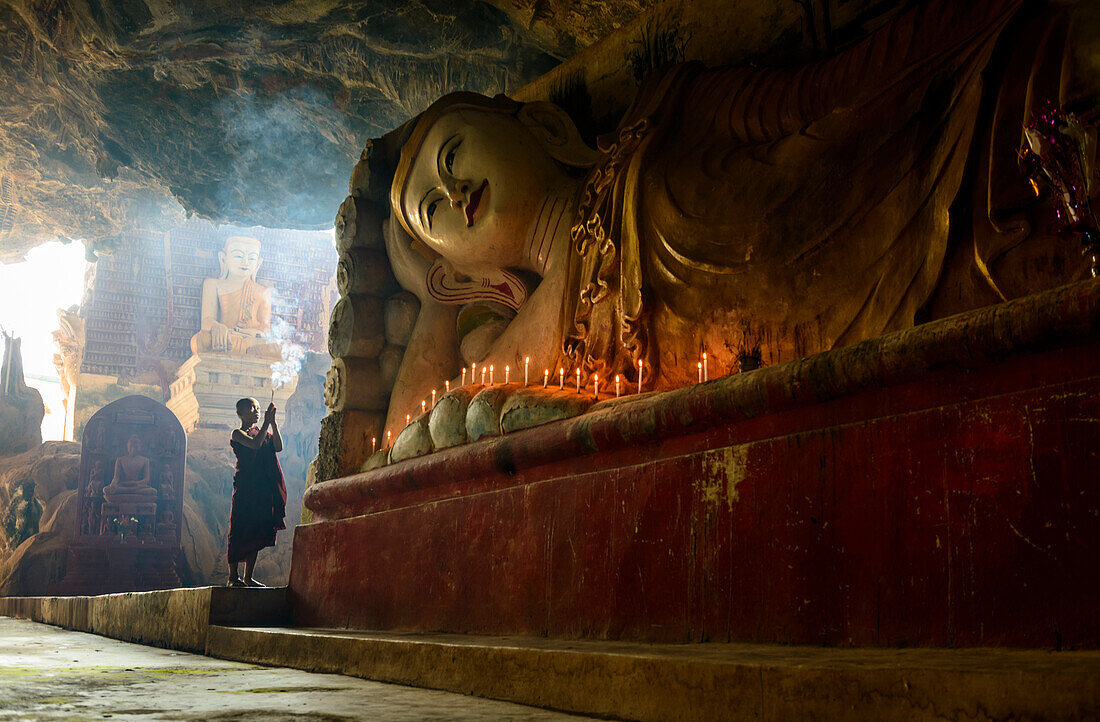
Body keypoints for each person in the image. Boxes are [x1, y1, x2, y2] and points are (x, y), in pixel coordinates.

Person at [381, 0, 1096, 438]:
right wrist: (432, 307)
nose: (451, 192)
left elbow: (831, 97)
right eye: (431, 211)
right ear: (464, 264)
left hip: (923, 182)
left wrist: (975, 25)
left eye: (451, 155)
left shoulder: (664, 113)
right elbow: (403, 443)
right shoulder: (510, 353)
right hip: (864, 373)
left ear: (539, 125)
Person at [227, 397, 286, 587]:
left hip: (261, 488)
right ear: (240, 413)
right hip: (245, 487)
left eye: (258, 408)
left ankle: (248, 577)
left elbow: (278, 447)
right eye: (251, 407)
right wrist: (267, 423)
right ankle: (232, 577)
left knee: (256, 530)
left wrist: (274, 424)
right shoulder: (237, 434)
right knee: (239, 527)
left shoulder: (263, 433)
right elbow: (255, 445)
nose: (256, 410)